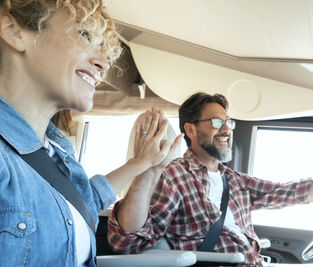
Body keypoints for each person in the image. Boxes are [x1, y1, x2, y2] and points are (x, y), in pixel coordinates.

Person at [108, 93, 313, 266]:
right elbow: (130, 243)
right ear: (190, 130)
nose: (227, 129)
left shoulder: (234, 180)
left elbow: (291, 191)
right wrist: (148, 168)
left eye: (228, 122)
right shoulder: (174, 176)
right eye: (216, 122)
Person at [0, 1, 180, 266]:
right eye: (85, 35)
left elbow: (82, 201)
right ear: (14, 32)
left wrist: (143, 163)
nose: (103, 63)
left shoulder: (55, 149)